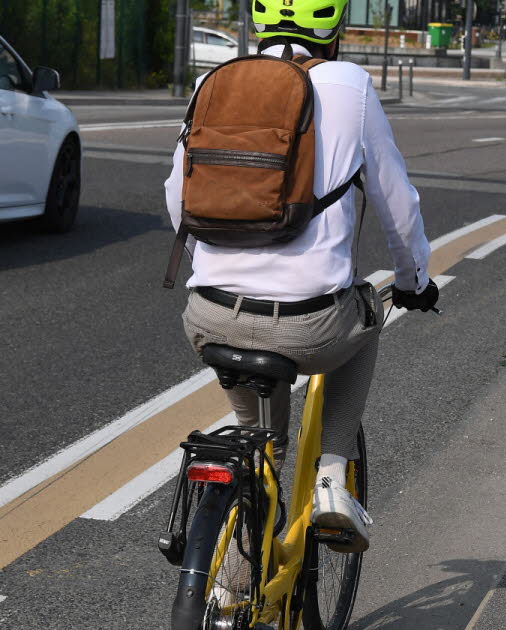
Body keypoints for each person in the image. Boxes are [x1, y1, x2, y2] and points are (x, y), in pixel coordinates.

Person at [163, 0, 439, 552]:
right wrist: (414, 283)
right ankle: (334, 474)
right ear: (332, 28)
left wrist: (218, 263)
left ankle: (236, 580)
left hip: (209, 315)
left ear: (261, 24)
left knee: (261, 444)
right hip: (309, 328)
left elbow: (178, 198)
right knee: (367, 311)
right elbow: (397, 206)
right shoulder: (350, 85)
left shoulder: (215, 82)